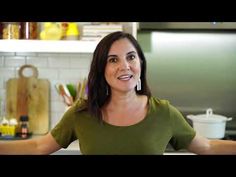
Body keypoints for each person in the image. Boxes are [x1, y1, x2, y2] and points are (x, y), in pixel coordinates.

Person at [1, 31, 236, 155]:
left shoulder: (163, 112)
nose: (124, 66)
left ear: (141, 64)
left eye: (131, 57)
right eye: (113, 60)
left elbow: (208, 147)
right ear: (102, 69)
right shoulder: (81, 113)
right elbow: (38, 147)